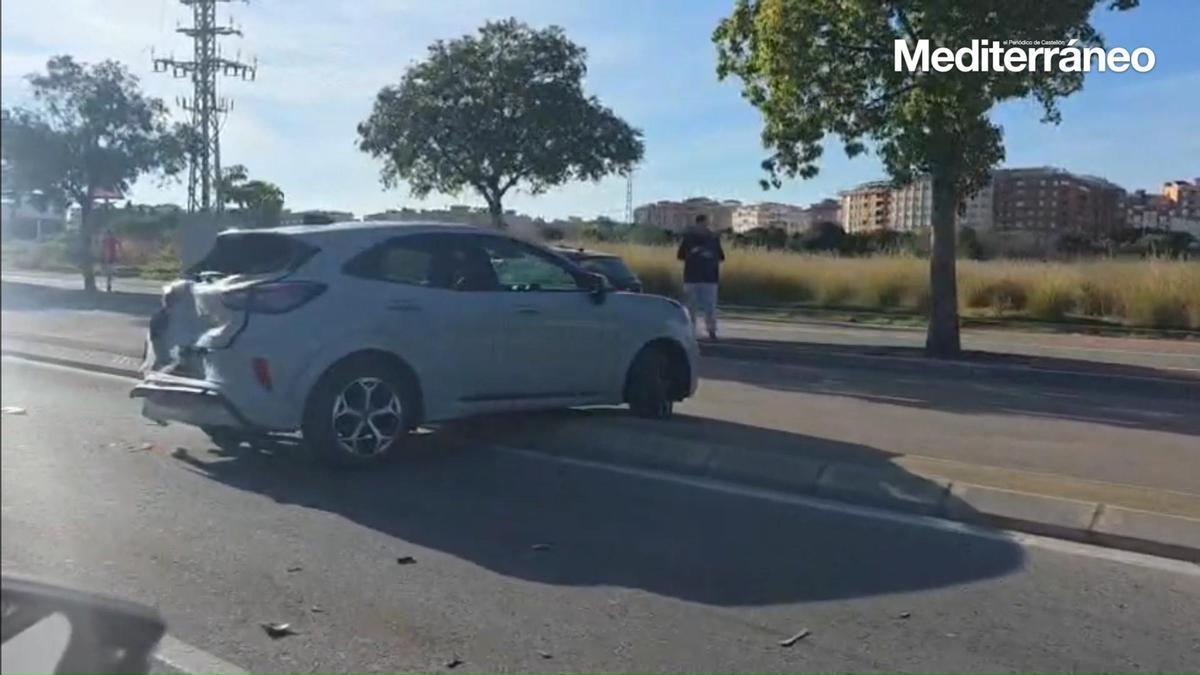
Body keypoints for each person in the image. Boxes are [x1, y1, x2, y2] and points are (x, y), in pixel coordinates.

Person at [676, 213, 725, 340]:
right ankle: (690, 331)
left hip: (709, 278)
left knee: (710, 307)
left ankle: (711, 331)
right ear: (697, 223)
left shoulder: (713, 238)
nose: (705, 226)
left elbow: (721, 257)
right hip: (692, 277)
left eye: (706, 223)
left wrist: (710, 256)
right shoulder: (688, 238)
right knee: (691, 307)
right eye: (703, 223)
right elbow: (680, 256)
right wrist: (693, 254)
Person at [100, 228, 122, 293]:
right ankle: (108, 284)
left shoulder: (113, 240)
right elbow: (101, 248)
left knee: (110, 272)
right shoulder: (105, 241)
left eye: (109, 234)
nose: (108, 236)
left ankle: (109, 285)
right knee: (107, 272)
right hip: (106, 258)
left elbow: (119, 245)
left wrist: (119, 252)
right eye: (107, 234)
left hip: (111, 258)